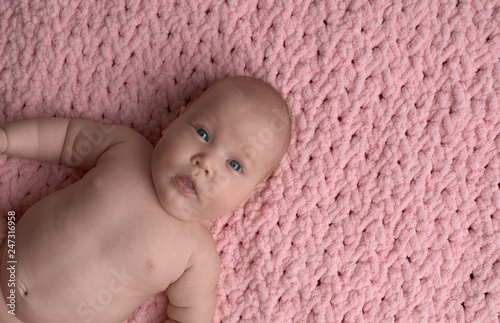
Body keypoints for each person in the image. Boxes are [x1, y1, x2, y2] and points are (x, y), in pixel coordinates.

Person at [0, 76, 291, 323]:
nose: (206, 163)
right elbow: (66, 139)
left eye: (235, 165)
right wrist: (8, 139)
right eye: (202, 133)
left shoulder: (197, 256)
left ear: (248, 196)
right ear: (175, 121)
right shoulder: (127, 148)